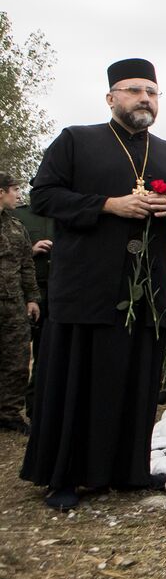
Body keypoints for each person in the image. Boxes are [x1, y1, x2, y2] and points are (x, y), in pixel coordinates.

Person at [22, 59, 166, 509]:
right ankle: (64, 474)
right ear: (110, 98)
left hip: (145, 291)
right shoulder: (76, 140)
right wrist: (108, 204)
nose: (145, 98)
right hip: (86, 285)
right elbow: (43, 195)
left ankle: (127, 469)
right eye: (134, 90)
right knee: (78, 377)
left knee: (136, 378)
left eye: (153, 92)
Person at [0, 172, 40, 433]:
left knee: (16, 360)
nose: (17, 194)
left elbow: (26, 265)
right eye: (14, 189)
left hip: (12, 304)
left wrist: (32, 298)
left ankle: (9, 413)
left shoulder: (16, 226)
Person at [12, 197, 52, 423]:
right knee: (17, 352)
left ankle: (36, 407)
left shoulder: (63, 217)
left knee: (44, 351)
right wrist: (32, 249)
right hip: (23, 292)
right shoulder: (19, 216)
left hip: (56, 291)